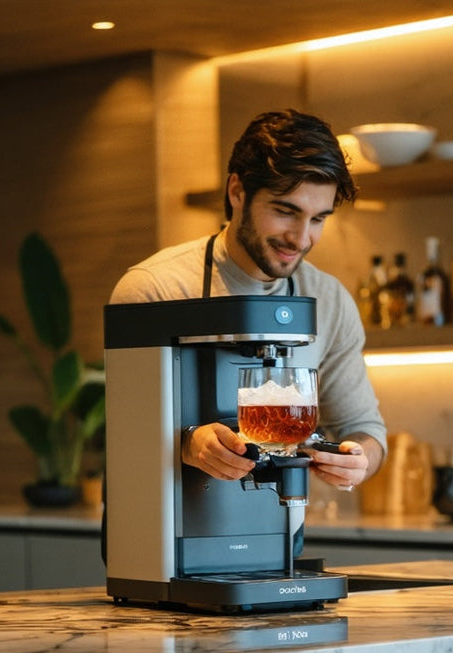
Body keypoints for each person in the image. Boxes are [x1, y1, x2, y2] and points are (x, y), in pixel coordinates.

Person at [110, 108, 386, 491]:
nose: (301, 238)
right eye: (285, 212)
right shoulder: (154, 288)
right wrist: (188, 445)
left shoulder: (329, 301)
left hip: (281, 531)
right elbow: (124, 432)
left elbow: (366, 430)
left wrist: (358, 461)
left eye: (319, 219)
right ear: (237, 191)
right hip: (164, 533)